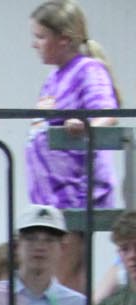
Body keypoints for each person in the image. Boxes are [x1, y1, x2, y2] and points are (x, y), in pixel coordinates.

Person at [26, 1, 122, 212]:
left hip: (78, 197)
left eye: (41, 37)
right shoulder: (53, 78)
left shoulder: (88, 70)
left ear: (64, 39)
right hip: (50, 201)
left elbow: (108, 114)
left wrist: (86, 126)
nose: (34, 44)